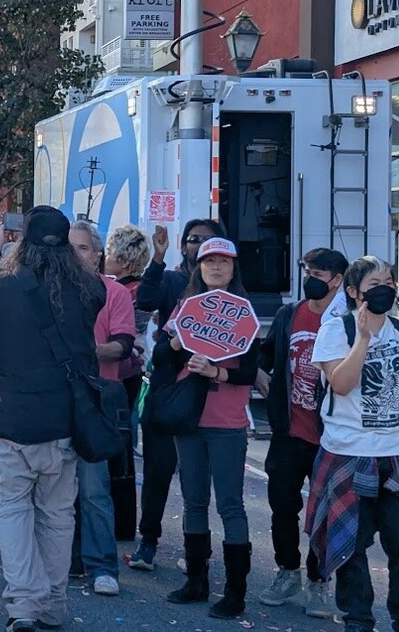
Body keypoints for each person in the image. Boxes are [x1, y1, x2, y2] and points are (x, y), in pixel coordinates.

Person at [0, 206, 106, 632]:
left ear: (22, 241)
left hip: (10, 417)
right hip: (64, 419)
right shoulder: (91, 287)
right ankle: (54, 603)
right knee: (57, 513)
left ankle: (24, 604)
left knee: (11, 509)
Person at [158, 237, 258, 619]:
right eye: (208, 261)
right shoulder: (185, 307)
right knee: (193, 500)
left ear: (234, 269)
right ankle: (196, 581)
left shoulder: (244, 313)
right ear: (198, 267)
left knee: (230, 504)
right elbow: (161, 358)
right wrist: (176, 343)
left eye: (223, 262)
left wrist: (217, 371)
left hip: (227, 422)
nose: (216, 267)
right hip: (188, 418)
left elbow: (249, 371)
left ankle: (235, 592)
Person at [307, 256, 399, 632]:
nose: (385, 289)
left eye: (390, 282)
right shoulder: (336, 330)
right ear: (353, 291)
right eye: (375, 284)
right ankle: (358, 619)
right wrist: (363, 339)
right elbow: (342, 383)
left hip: (398, 454)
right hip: (349, 452)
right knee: (352, 545)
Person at [128, 218, 225, 571]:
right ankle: (147, 543)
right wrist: (157, 257)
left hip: (208, 394)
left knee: (195, 479)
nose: (199, 245)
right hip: (168, 390)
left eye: (208, 241)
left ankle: (195, 550)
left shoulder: (229, 294)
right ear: (183, 246)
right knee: (158, 471)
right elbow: (146, 299)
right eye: (193, 239)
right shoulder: (171, 280)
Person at [256, 248, 348, 617]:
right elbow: (265, 354)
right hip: (288, 431)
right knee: (282, 506)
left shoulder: (345, 321)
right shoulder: (288, 315)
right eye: (307, 271)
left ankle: (318, 580)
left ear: (337, 280)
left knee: (322, 513)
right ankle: (287, 571)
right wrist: (261, 376)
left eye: (318, 274)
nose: (310, 279)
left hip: (329, 437)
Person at [67, 220, 133, 596]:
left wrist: (82, 351)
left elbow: (122, 346)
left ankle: (103, 566)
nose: (75, 255)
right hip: (54, 398)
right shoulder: (48, 288)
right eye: (69, 248)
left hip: (95, 401)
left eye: (82, 248)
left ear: (97, 255)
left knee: (94, 488)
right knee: (57, 488)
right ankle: (70, 559)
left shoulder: (115, 292)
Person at [102, 224, 150, 539]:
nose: (104, 258)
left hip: (123, 373)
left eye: (108, 252)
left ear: (122, 258)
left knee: (119, 448)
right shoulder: (129, 287)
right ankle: (121, 522)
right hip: (124, 372)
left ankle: (121, 523)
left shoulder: (132, 291)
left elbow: (130, 333)